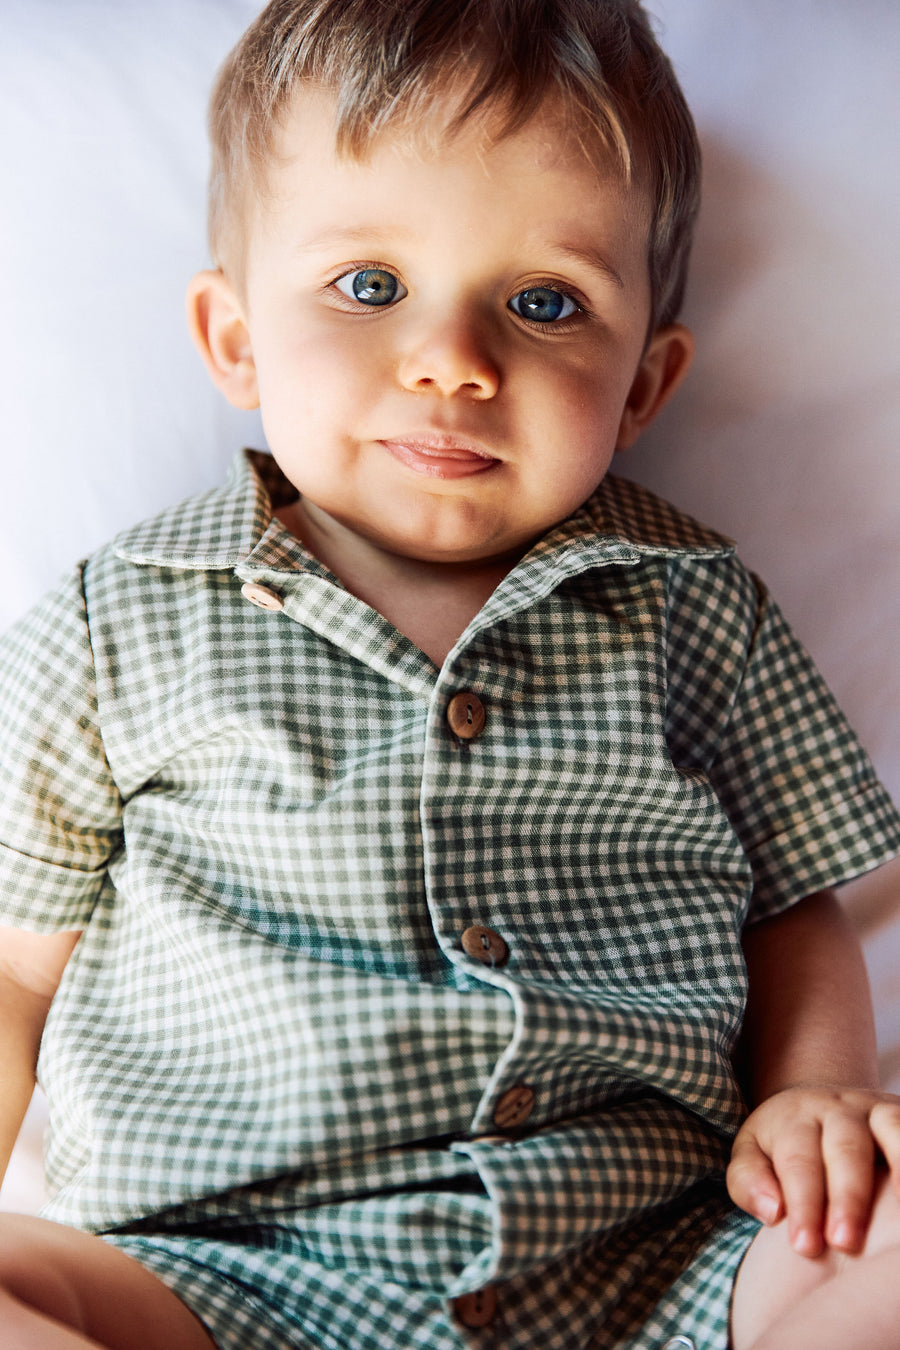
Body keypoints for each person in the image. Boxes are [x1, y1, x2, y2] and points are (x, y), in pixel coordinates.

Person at [1, 0, 899, 1346]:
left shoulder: (692, 604)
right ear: (235, 338)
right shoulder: (120, 620)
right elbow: (17, 972)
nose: (454, 363)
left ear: (643, 385)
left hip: (655, 1260)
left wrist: (815, 1093)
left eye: (546, 303)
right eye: (370, 286)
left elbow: (797, 905)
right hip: (220, 1275)